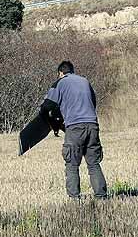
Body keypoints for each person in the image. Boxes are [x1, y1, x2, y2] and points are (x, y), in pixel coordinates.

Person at [42, 60, 108, 201]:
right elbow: (93, 102)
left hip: (74, 127)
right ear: (73, 71)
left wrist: (54, 121)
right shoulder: (85, 81)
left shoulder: (60, 83)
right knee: (94, 163)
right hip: (92, 125)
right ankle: (102, 198)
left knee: (72, 164)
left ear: (60, 73)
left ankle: (74, 200)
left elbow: (48, 105)